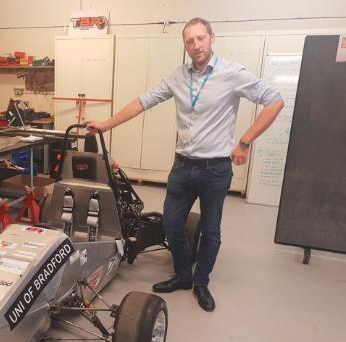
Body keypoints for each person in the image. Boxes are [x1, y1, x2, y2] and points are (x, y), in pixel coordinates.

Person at [86, 17, 284, 312]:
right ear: (185, 45)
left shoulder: (232, 74)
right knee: (172, 225)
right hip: (183, 167)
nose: (196, 45)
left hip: (215, 169)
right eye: (190, 41)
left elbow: (274, 100)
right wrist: (106, 124)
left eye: (201, 38)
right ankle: (183, 275)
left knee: (212, 229)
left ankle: (201, 281)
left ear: (211, 38)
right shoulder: (178, 76)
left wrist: (245, 141)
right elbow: (143, 101)